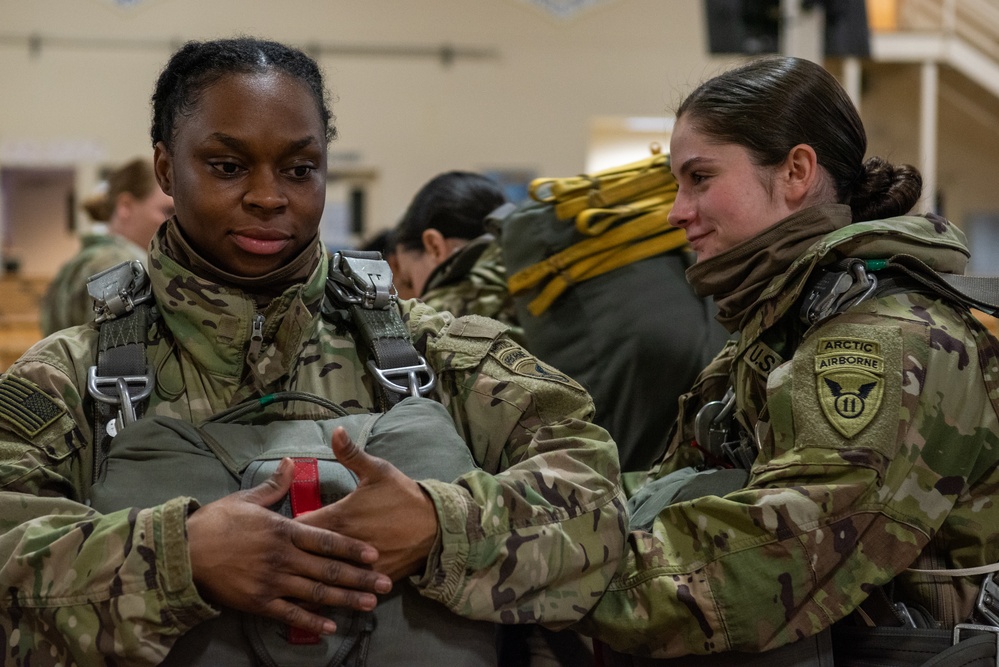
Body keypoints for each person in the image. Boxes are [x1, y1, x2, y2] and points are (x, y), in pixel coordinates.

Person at [0, 36, 626, 666]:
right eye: (227, 166)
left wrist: (445, 527)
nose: (269, 197)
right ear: (166, 168)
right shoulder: (70, 379)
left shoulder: (438, 353)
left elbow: (600, 504)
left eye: (300, 170)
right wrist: (175, 558)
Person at [576, 55, 999, 665]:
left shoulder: (883, 340)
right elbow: (672, 486)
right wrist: (533, 513)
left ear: (796, 171)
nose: (676, 211)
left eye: (699, 178)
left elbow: (779, 558)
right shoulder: (786, 326)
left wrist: (533, 569)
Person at [39, 157, 174, 335]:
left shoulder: (89, 259)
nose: (175, 221)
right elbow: (123, 354)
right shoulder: (121, 267)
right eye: (167, 211)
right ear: (125, 206)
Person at [392, 171, 522, 338]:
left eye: (409, 281)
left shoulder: (441, 315)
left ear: (435, 246)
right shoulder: (536, 271)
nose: (415, 296)